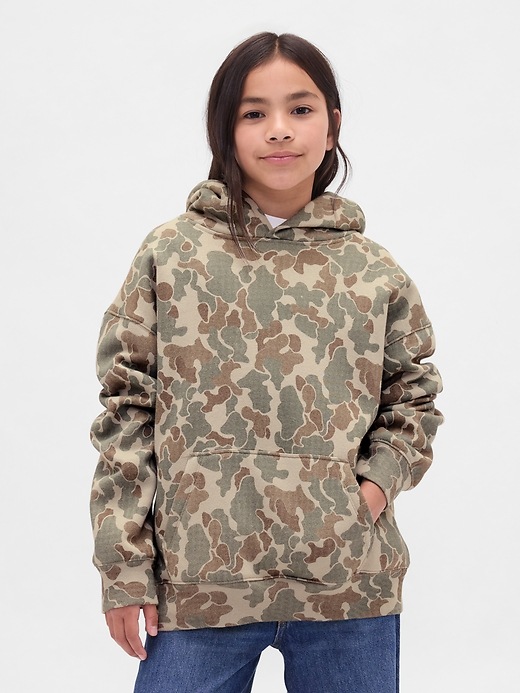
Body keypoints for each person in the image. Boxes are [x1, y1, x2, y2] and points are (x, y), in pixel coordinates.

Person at [90, 31, 443, 693]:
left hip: (347, 592)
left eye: (300, 109)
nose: (279, 129)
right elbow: (126, 412)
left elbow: (414, 399)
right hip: (197, 591)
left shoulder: (373, 271)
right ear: (224, 130)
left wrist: (366, 494)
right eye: (254, 113)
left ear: (333, 126)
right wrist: (123, 567)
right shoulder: (172, 254)